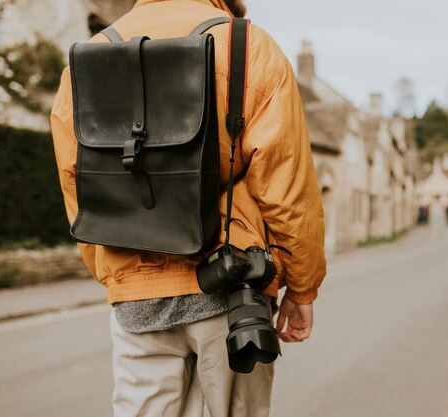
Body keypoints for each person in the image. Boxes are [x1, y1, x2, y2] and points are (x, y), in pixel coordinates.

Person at [50, 1, 326, 416]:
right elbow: (287, 189)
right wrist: (302, 287)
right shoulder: (248, 47)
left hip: (136, 293)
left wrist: (117, 275)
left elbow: (78, 187)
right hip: (232, 287)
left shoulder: (89, 58)